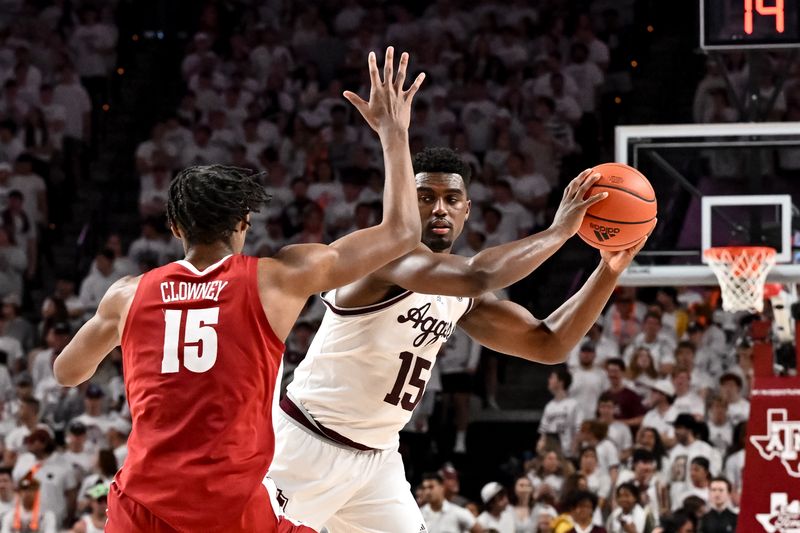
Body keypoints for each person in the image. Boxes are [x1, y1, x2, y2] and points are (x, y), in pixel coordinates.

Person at [52, 48, 426, 533]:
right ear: (245, 222)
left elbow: (66, 372)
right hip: (231, 510)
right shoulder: (279, 278)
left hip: (140, 505)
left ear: (173, 227)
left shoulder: (126, 294)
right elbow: (401, 232)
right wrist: (394, 134)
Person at [269, 145, 653, 531]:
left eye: (451, 199)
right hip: (308, 443)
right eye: (425, 197)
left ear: (466, 210)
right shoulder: (382, 260)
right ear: (404, 202)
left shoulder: (458, 294)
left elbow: (549, 343)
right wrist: (559, 232)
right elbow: (479, 274)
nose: (439, 209)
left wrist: (608, 270)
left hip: (376, 458)